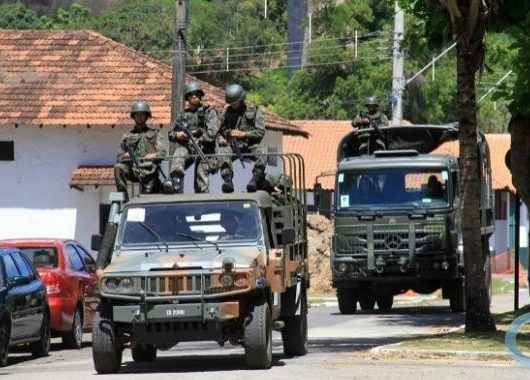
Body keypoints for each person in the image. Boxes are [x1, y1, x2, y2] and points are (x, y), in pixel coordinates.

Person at [168, 82, 220, 193]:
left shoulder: (209, 112)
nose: (194, 96)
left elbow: (212, 133)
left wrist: (198, 137)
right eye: (191, 94)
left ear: (200, 95)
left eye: (196, 94)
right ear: (187, 97)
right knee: (179, 153)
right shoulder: (183, 115)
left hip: (205, 150)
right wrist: (178, 135)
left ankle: (203, 199)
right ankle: (176, 180)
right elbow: (171, 133)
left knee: (201, 181)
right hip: (188, 148)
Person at [218, 84, 269, 193]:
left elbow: (260, 132)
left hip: (250, 145)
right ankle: (227, 181)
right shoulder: (227, 112)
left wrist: (244, 134)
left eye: (235, 102)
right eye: (231, 103)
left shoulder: (254, 110)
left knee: (263, 152)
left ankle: (255, 180)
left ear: (241, 100)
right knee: (222, 151)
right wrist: (228, 133)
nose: (233, 105)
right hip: (233, 145)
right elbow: (220, 129)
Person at [114, 101, 166, 201]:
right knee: (118, 168)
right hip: (133, 170)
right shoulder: (127, 136)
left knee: (145, 198)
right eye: (137, 114)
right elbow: (119, 156)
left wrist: (153, 156)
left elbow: (162, 152)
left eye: (142, 114)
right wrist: (126, 156)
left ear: (147, 116)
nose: (140, 117)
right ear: (133, 116)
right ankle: (124, 199)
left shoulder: (155, 134)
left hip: (149, 171)